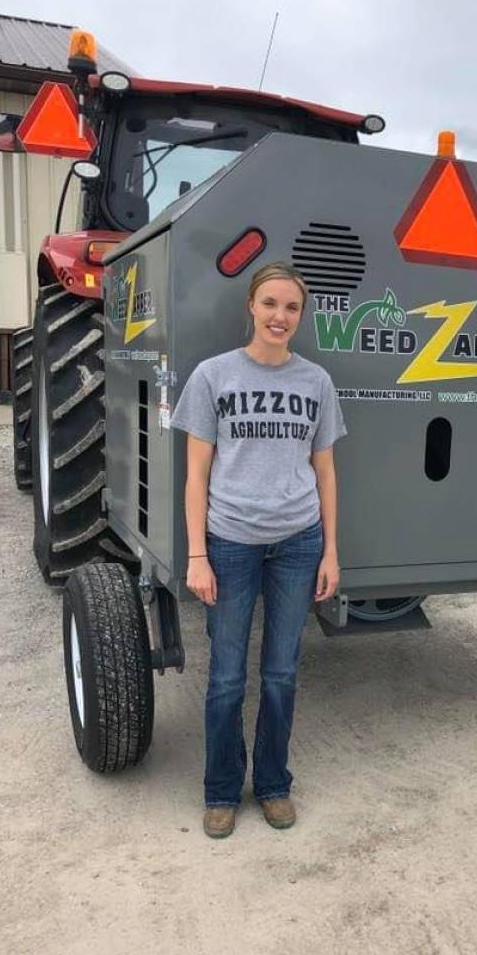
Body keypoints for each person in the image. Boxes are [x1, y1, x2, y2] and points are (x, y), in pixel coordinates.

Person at [170, 262, 346, 839]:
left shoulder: (316, 382)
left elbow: (325, 472)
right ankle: (221, 790)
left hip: (299, 543)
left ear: (301, 315)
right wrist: (198, 555)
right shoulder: (213, 377)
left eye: (291, 308)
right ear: (251, 306)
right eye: (270, 303)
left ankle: (273, 784)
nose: (280, 316)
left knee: (280, 673)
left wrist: (330, 552)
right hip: (231, 545)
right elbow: (196, 475)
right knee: (225, 676)